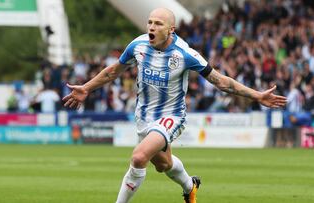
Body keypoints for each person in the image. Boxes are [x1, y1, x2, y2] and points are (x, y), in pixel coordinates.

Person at [63, 8, 287, 203]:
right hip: (144, 116)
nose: (151, 26)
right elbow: (113, 71)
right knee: (163, 164)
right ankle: (190, 186)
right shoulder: (138, 46)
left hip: (171, 116)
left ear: (171, 30)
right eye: (150, 22)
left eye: (158, 23)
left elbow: (221, 81)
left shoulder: (185, 54)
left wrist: (256, 95)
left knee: (139, 157)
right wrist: (87, 88)